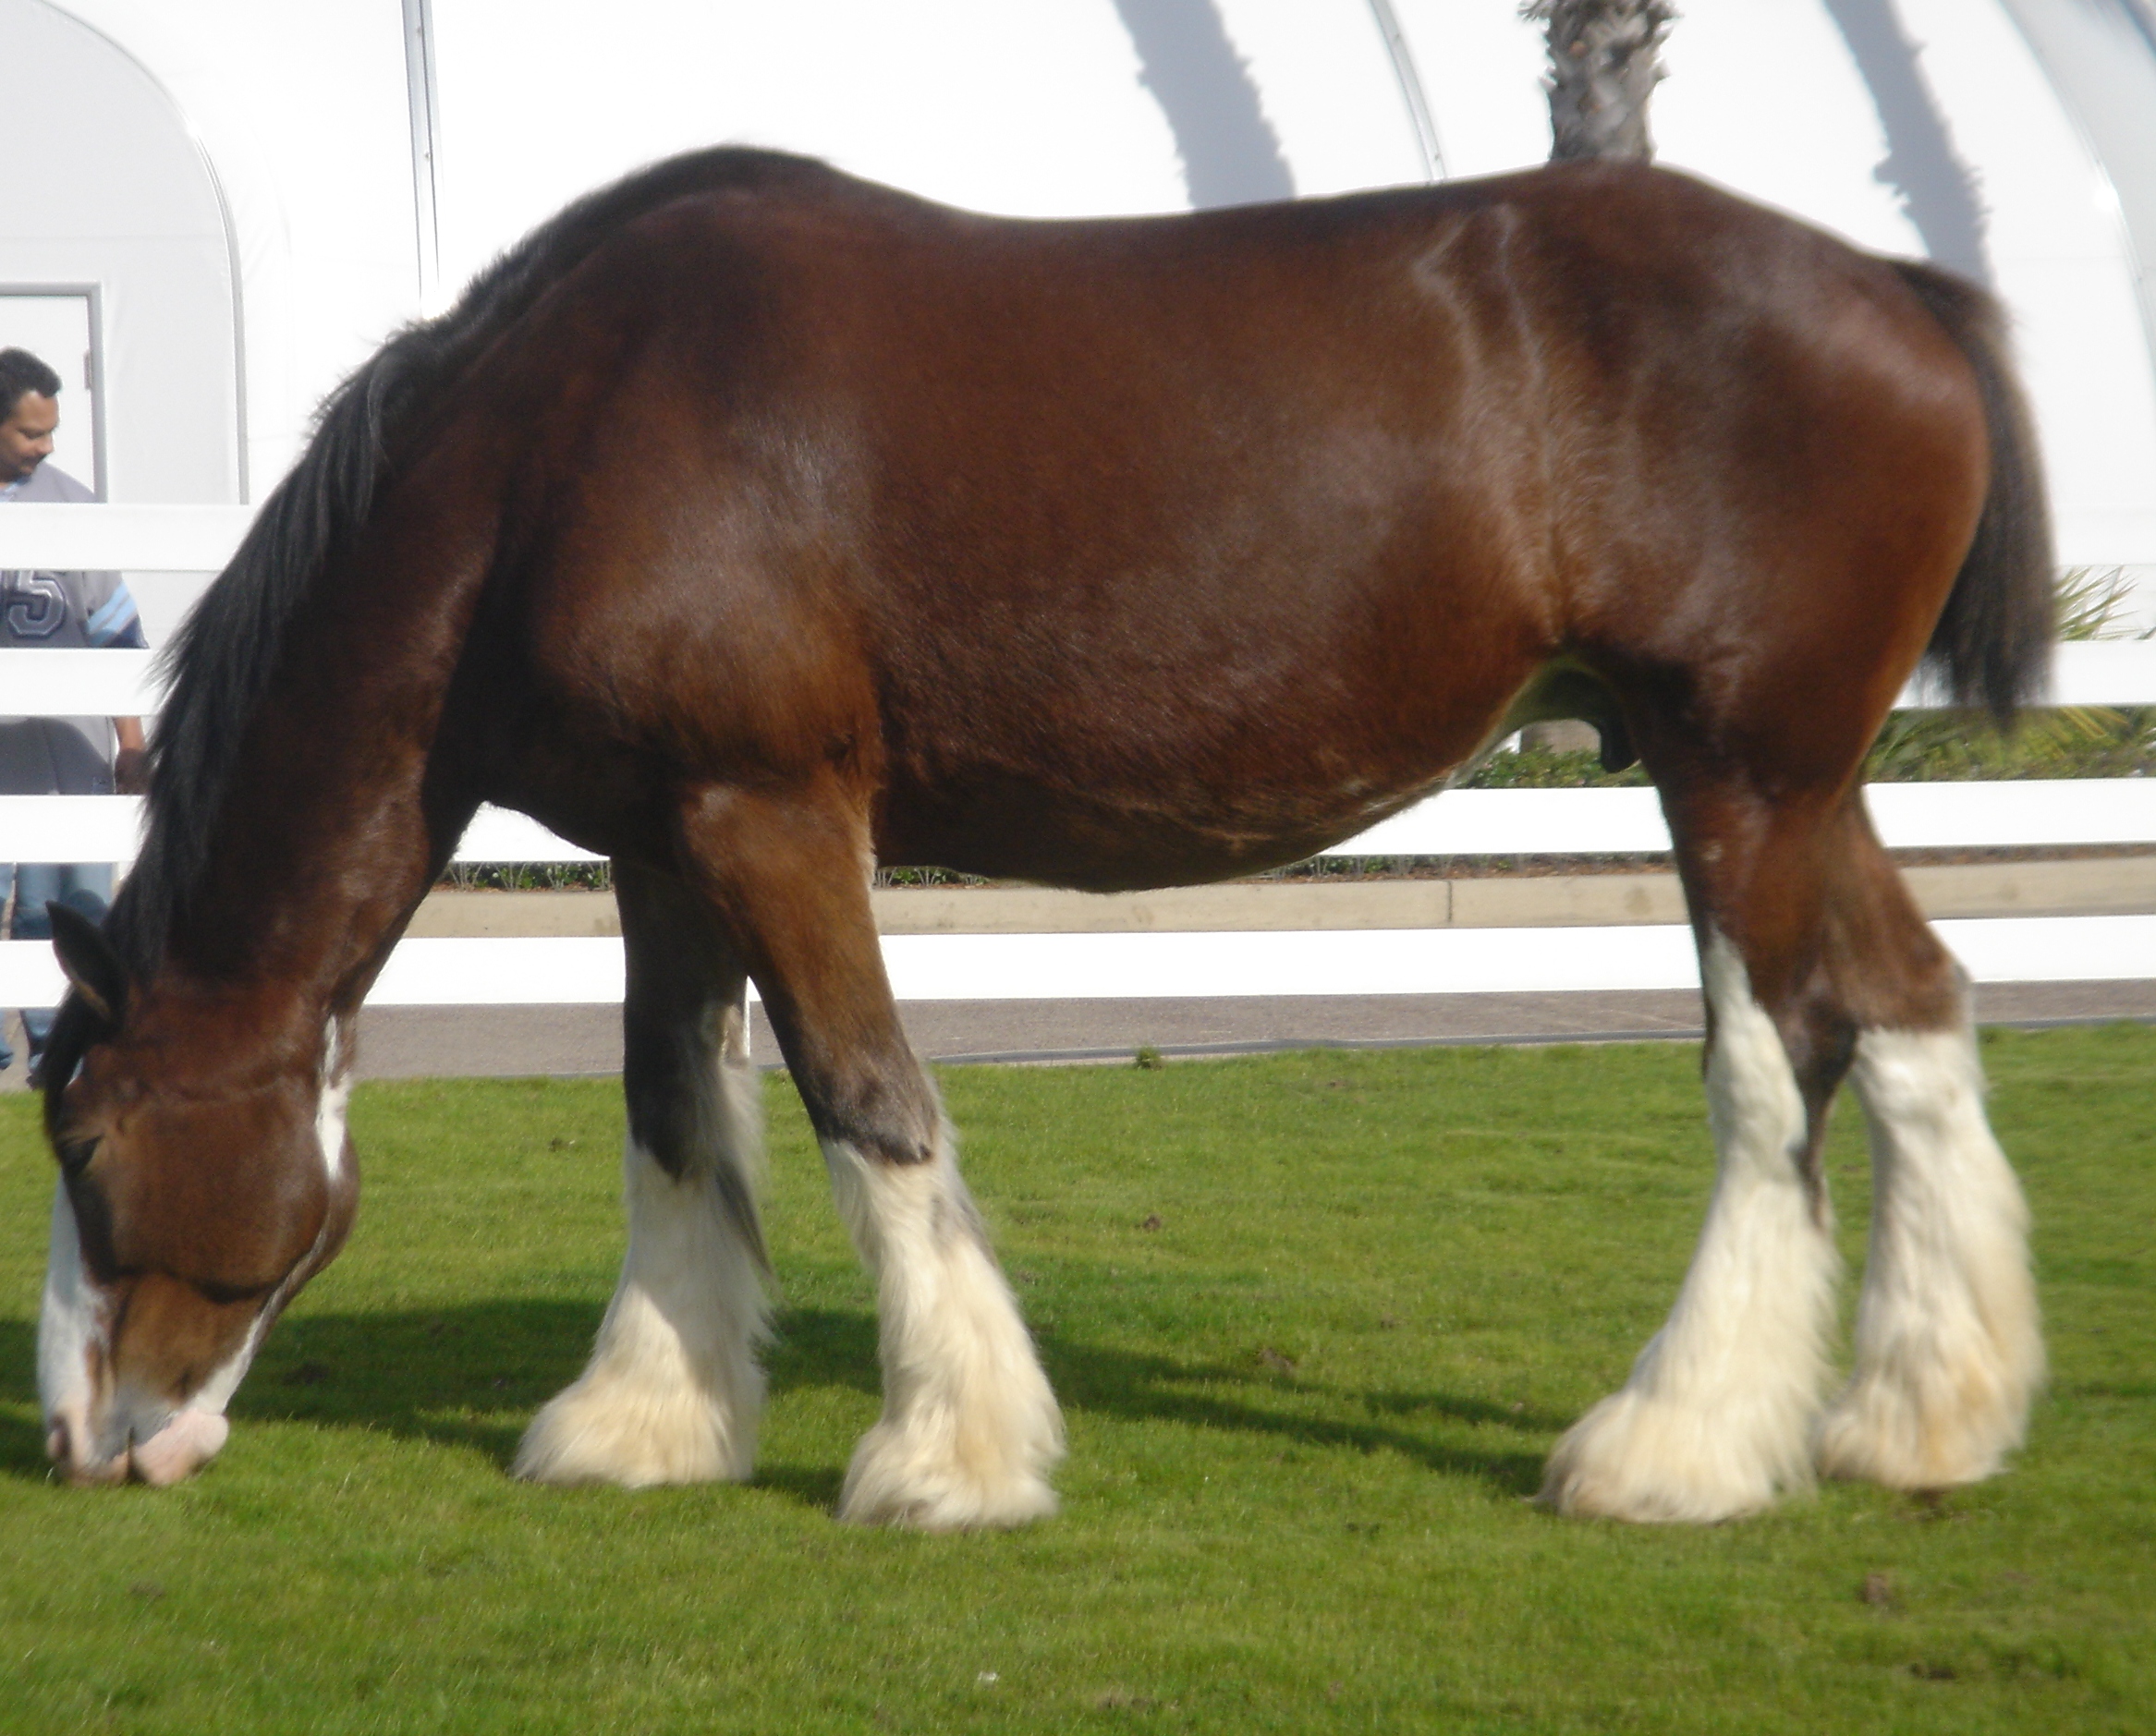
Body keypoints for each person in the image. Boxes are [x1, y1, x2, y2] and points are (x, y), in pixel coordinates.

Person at [0, 346, 147, 1073]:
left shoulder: (73, 507)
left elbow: (117, 630)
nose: (46, 446)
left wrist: (131, 742)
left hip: (68, 745)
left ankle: (64, 1053)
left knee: (70, 907)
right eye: (31, 432)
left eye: (51, 430)